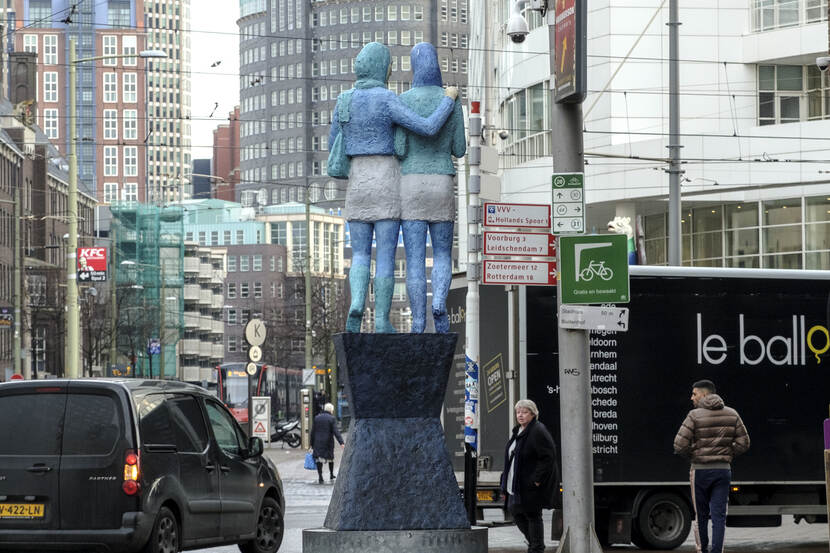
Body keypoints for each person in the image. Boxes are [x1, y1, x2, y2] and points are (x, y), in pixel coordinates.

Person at [328, 41, 458, 333]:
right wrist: (449, 100)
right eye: (388, 66)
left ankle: (357, 305)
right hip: (386, 178)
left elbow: (332, 144)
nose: (389, 71)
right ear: (381, 68)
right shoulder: (388, 99)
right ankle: (383, 320)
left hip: (358, 180)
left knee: (360, 253)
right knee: (385, 255)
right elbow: (425, 128)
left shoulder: (344, 100)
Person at [394, 43, 466, 333]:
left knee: (414, 259)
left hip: (411, 183)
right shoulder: (451, 101)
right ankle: (439, 304)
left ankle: (418, 319)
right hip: (442, 183)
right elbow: (459, 148)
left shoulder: (404, 100)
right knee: (441, 254)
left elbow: (399, 148)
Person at [674, 379, 750, 553]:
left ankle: (703, 550)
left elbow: (679, 445)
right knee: (719, 516)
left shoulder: (694, 416)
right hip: (723, 471)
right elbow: (744, 443)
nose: (691, 398)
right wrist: (728, 454)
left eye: (694, 394)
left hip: (699, 472)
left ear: (705, 394)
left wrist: (694, 455)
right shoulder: (732, 413)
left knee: (700, 516)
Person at [500, 399, 558, 553]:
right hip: (516, 484)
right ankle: (535, 544)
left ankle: (536, 548)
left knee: (532, 515)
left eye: (524, 412)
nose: (520, 415)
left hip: (530, 484)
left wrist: (537, 480)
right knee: (515, 511)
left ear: (533, 414)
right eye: (518, 412)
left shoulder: (538, 431)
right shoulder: (518, 431)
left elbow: (548, 457)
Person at [312, 402, 344, 484]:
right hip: (328, 442)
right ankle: (331, 474)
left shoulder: (317, 418)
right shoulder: (331, 418)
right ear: (331, 410)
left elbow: (313, 432)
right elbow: (336, 431)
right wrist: (341, 442)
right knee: (330, 459)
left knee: (319, 459)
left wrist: (311, 443)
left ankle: (320, 476)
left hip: (318, 441)